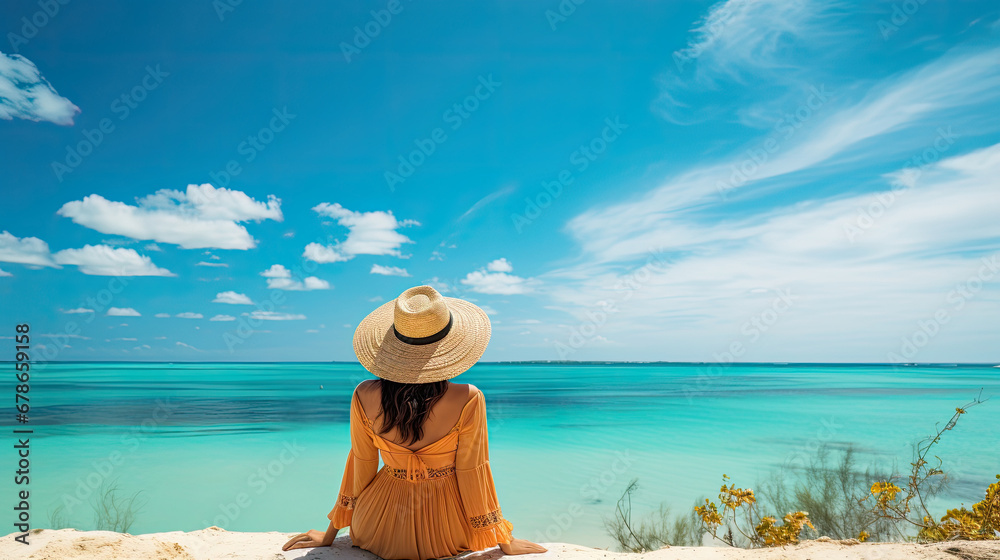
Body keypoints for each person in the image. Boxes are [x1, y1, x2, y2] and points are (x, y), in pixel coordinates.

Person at [282, 285, 547, 559]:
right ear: (449, 345)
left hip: (376, 527)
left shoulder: (363, 394)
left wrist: (330, 534)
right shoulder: (468, 397)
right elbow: (473, 473)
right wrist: (503, 539)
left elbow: (361, 465)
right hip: (450, 531)